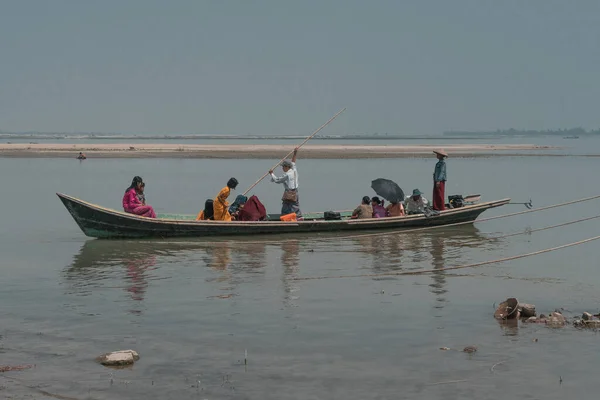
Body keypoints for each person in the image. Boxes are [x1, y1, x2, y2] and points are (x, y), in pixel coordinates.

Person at [269, 148, 302, 219]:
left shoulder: (287, 174)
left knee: (287, 206)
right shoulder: (294, 170)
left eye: (283, 167)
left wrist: (271, 174)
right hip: (295, 191)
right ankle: (298, 216)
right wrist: (295, 153)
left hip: (289, 193)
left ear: (287, 167)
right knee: (295, 205)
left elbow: (277, 180)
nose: (282, 168)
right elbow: (293, 162)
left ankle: (286, 218)